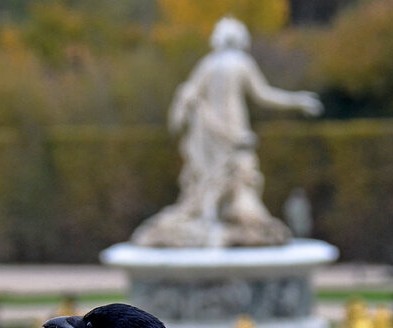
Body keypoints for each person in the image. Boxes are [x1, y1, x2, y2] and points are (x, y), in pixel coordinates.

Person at [131, 17, 322, 247]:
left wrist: (180, 117)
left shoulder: (208, 63)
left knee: (210, 176)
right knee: (238, 175)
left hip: (211, 131)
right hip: (233, 127)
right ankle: (230, 220)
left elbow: (188, 94)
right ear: (240, 38)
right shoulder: (241, 62)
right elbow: (263, 95)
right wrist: (297, 101)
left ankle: (210, 218)